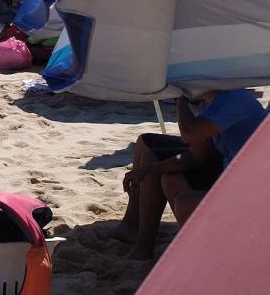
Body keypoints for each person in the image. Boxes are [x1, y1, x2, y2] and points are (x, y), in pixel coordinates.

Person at [112, 90, 267, 259]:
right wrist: (147, 169)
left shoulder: (234, 98)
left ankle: (199, 261)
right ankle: (183, 251)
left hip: (253, 187)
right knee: (168, 177)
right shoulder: (212, 103)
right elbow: (195, 156)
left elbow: (189, 135)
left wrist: (181, 99)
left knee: (184, 201)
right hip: (234, 181)